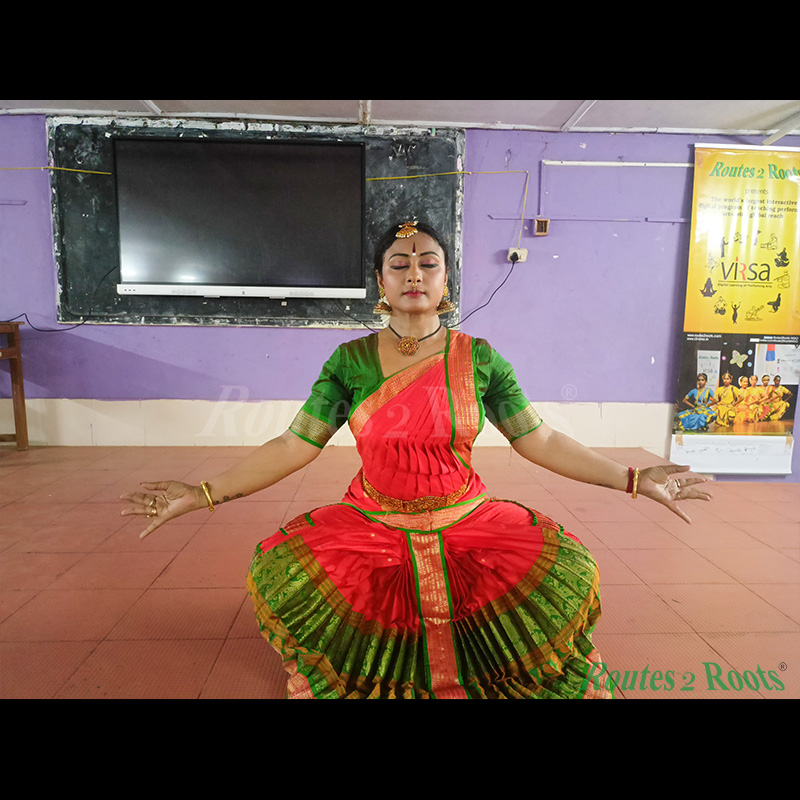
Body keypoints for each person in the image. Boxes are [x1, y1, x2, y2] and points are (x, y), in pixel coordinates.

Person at [120, 219, 712, 700]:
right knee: (285, 574)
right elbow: (294, 444)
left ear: (446, 279)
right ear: (380, 280)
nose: (414, 274)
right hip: (372, 523)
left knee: (565, 574)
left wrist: (634, 479)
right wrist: (201, 493)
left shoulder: (480, 359)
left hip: (468, 519)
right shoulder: (350, 361)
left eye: (428, 262)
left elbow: (541, 440)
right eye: (399, 264)